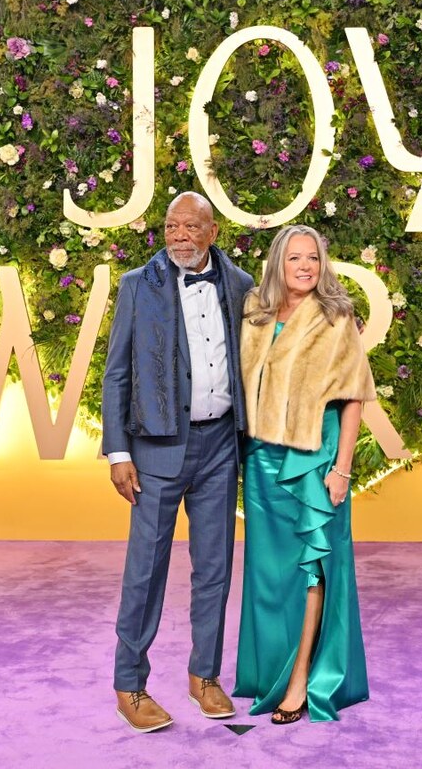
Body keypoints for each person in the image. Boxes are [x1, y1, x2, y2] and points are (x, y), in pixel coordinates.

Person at [101, 191, 254, 733]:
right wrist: (118, 451)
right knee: (145, 571)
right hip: (157, 449)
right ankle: (130, 685)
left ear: (212, 232)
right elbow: (117, 372)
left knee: (215, 568)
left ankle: (204, 676)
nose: (179, 235)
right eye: (171, 226)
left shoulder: (239, 285)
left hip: (220, 448)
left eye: (190, 226)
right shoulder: (137, 286)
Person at [232, 224, 376, 724]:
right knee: (270, 575)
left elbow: (354, 396)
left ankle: (301, 681)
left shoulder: (337, 315)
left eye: (312, 258)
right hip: (261, 460)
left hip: (316, 458)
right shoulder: (255, 311)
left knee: (311, 567)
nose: (304, 266)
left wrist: (342, 470)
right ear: (278, 263)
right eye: (295, 258)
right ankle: (269, 670)